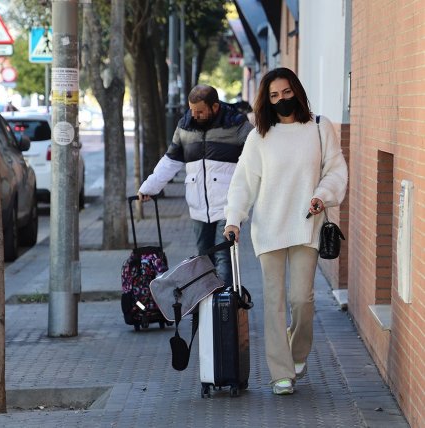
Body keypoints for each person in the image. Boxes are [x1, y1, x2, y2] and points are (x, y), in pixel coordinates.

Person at [223, 67, 348, 395]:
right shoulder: (259, 136)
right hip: (269, 228)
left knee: (301, 300)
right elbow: (243, 182)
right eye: (274, 95)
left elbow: (335, 170)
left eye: (286, 92)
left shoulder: (320, 128)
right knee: (274, 301)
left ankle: (296, 354)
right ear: (267, 100)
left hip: (306, 225)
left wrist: (322, 196)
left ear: (297, 91)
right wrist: (234, 219)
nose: (281, 99)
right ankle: (281, 371)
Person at [138, 84, 253, 287]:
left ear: (215, 107)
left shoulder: (236, 123)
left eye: (200, 111)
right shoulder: (185, 125)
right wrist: (149, 187)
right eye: (192, 110)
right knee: (203, 259)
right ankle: (207, 309)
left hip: (228, 206)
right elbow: (171, 160)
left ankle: (223, 312)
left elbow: (256, 155)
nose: (195, 115)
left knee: (223, 257)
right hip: (198, 208)